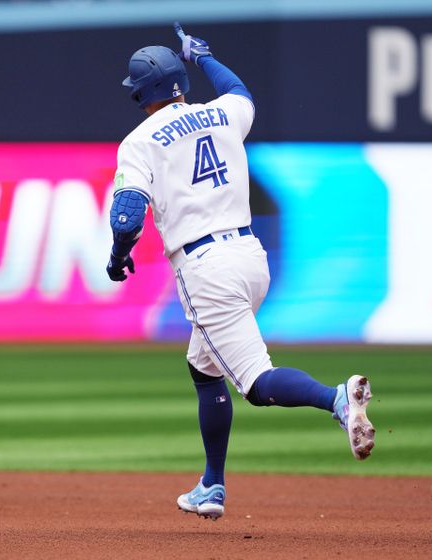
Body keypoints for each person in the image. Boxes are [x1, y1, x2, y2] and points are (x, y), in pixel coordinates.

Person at [107, 23, 374, 520]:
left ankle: (336, 398)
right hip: (250, 257)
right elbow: (240, 91)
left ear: (140, 92)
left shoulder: (138, 142)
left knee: (255, 382)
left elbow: (126, 216)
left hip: (206, 268)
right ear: (178, 82)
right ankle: (212, 485)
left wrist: (118, 256)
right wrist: (204, 56)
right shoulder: (220, 113)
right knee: (203, 366)